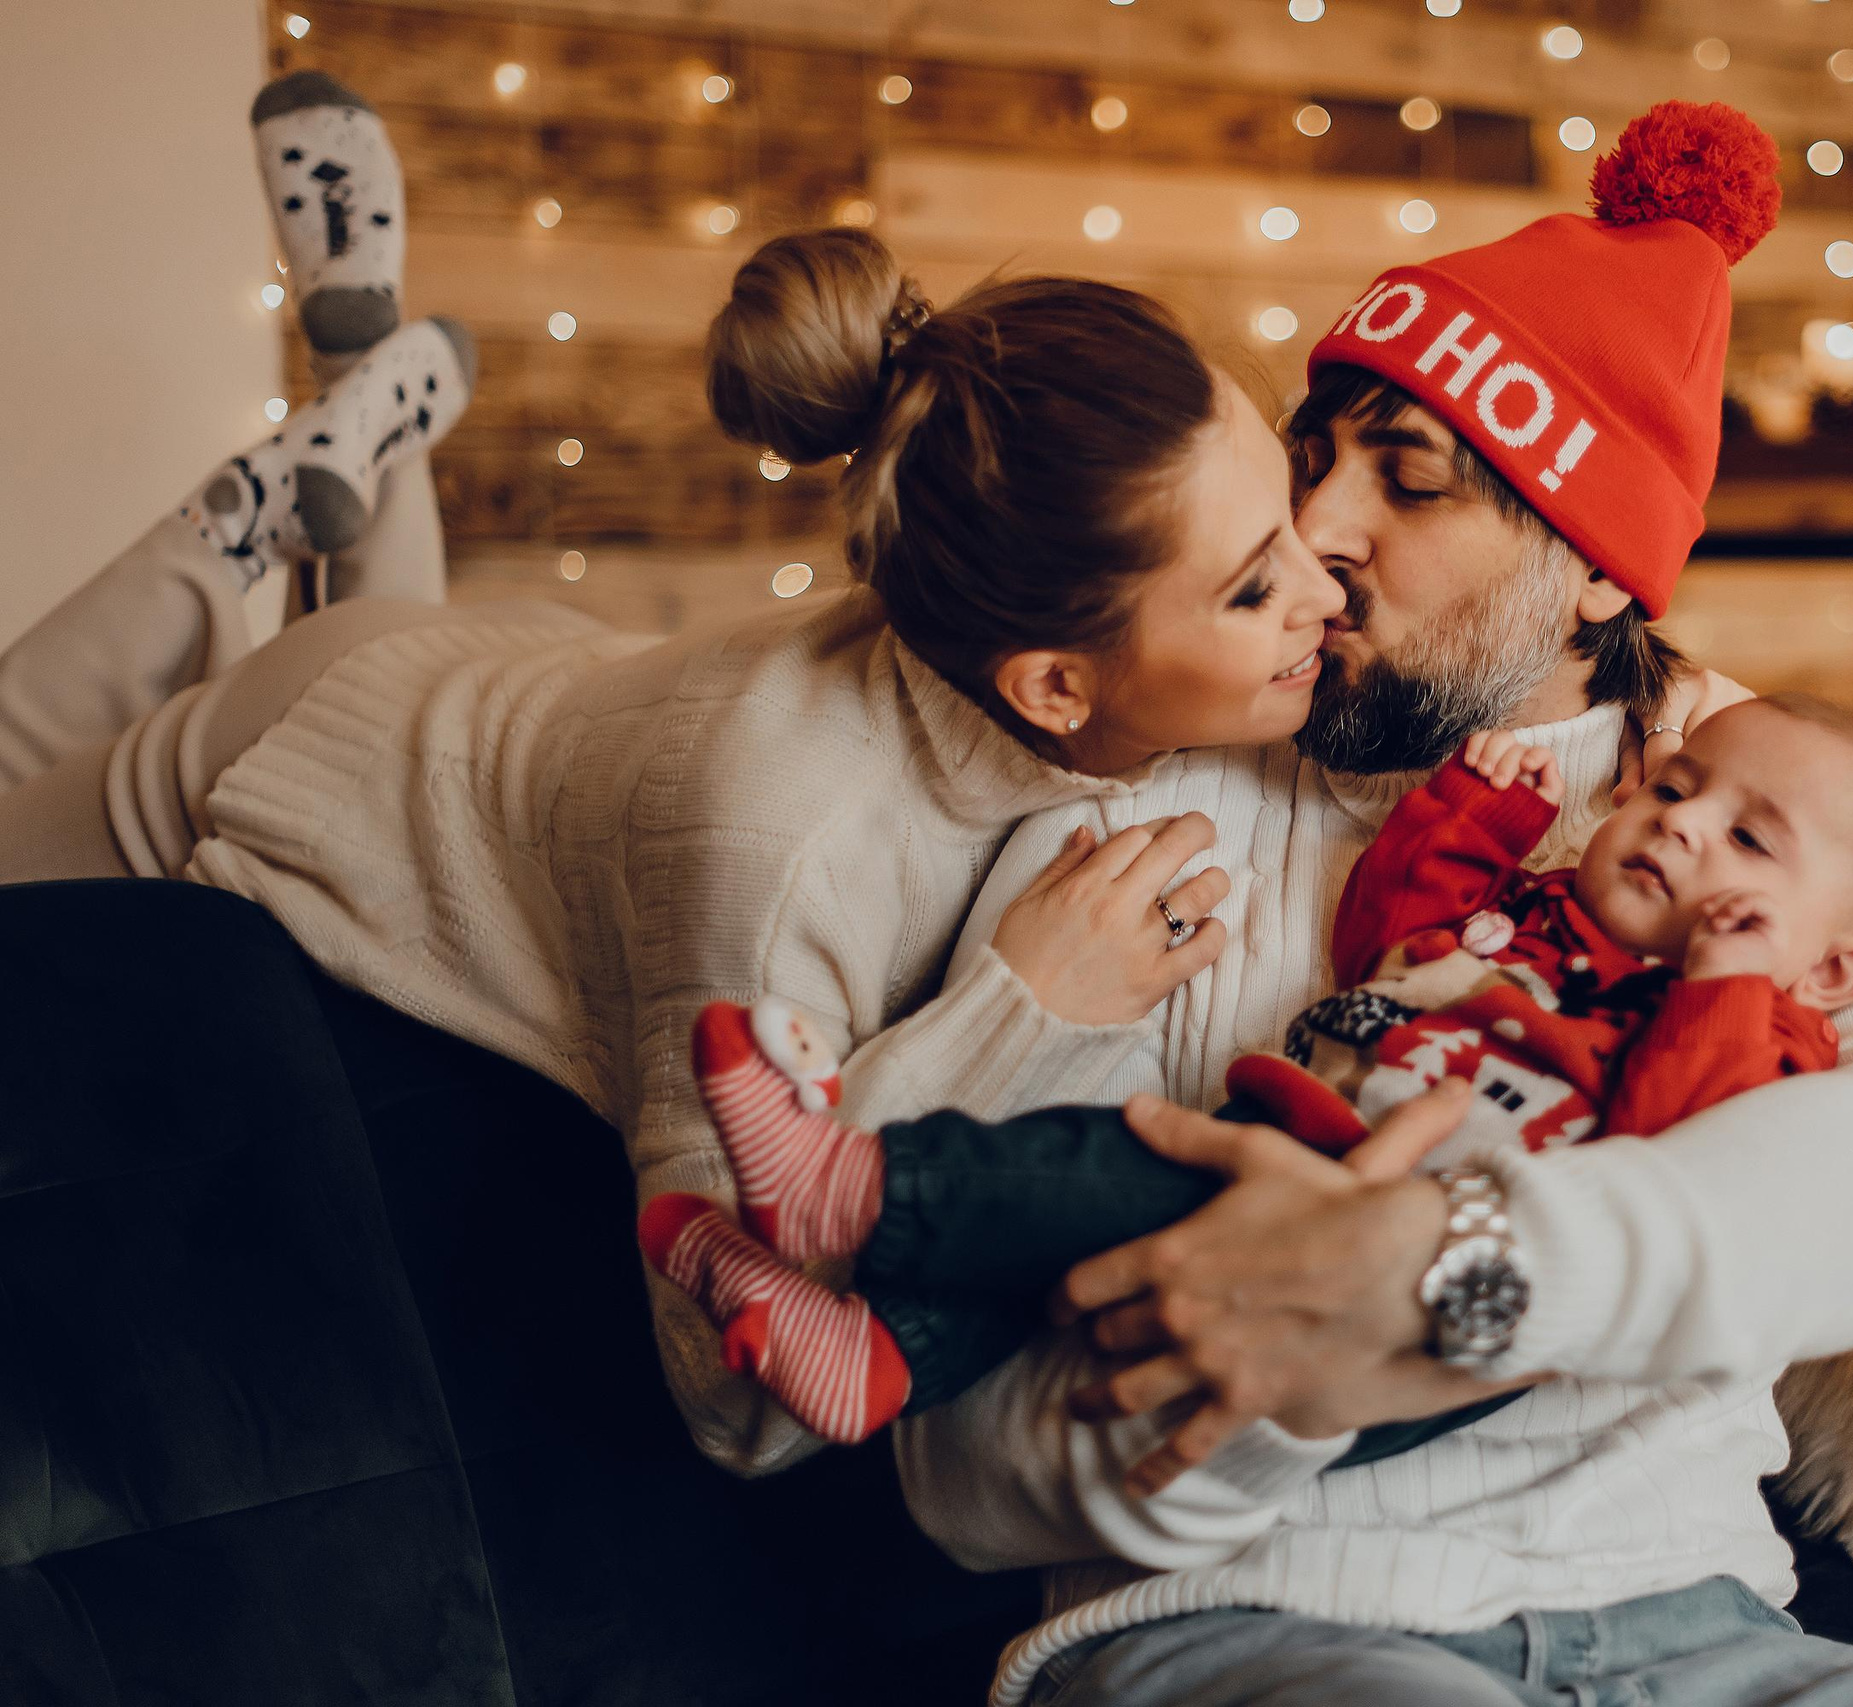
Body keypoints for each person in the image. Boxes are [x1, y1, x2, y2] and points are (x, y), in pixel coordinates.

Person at [0, 71, 1405, 1471]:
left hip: (503, 687)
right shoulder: (778, 848)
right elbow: (732, 1396)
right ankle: (238, 515)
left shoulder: (1015, 644)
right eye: (1249, 586)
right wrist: (1013, 1007)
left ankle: (364, 404)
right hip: (298, 754)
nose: (1325, 588)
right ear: (1052, 685)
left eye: (1284, 520)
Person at [882, 103, 1853, 1706]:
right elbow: (953, 1471)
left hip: (1701, 1623)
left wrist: (1449, 1272)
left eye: (1413, 483)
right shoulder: (1144, 807)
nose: (1314, 537)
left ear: (1598, 571)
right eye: (1312, 463)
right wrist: (1287, 1391)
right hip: (1244, 1628)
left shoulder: (1754, 812)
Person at [630, 690, 1853, 1452]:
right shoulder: (1543, 919)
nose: (1679, 826)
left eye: (1746, 841)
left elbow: (1683, 1146)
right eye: (1674, 789)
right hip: (1295, 1137)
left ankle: (853, 1187)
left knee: (1106, 1174)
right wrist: (1480, 814)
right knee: (1085, 1245)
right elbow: (1392, 938)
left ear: (1833, 970)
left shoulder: (1768, 1036)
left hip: (1413, 1297)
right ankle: (877, 1359)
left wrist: (1728, 979)